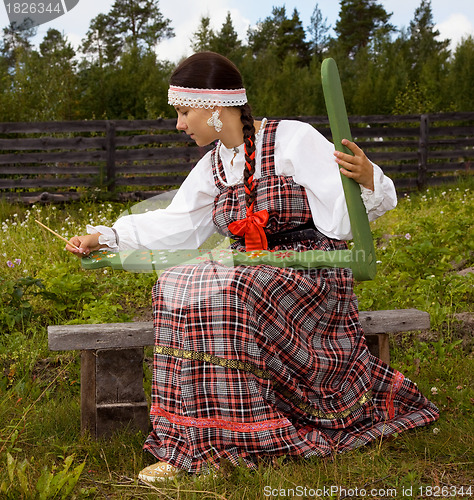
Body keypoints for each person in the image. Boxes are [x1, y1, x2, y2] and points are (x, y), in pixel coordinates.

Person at [67, 51, 438, 481]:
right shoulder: (214, 167)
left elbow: (344, 217)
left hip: (311, 274)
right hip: (251, 272)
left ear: (215, 109)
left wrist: (368, 178)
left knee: (229, 289)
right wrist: (107, 237)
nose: (180, 124)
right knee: (175, 282)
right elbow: (177, 222)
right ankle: (192, 440)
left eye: (185, 112)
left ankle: (239, 438)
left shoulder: (292, 139)